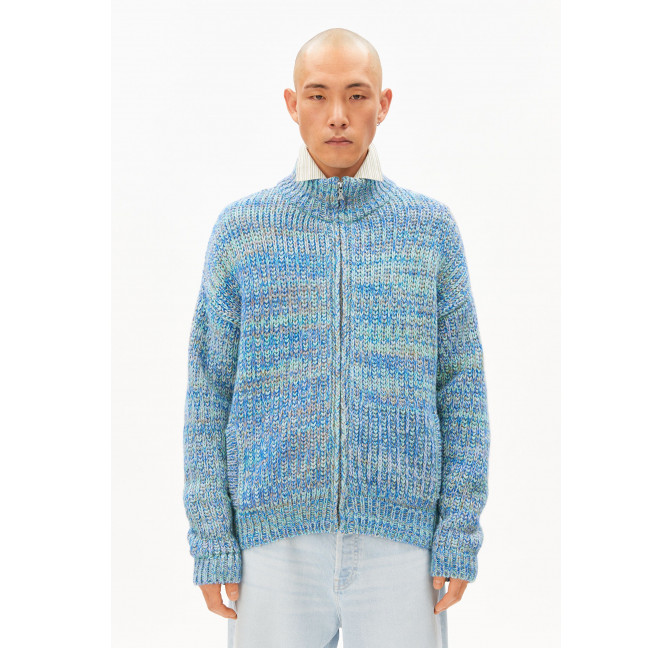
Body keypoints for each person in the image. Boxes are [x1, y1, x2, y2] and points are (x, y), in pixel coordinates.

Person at [182, 27, 491, 648]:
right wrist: (212, 538)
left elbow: (462, 388)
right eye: (318, 95)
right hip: (271, 544)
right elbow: (208, 392)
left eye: (357, 94)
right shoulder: (243, 230)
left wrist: (458, 531)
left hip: (404, 542)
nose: (338, 115)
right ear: (292, 104)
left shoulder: (429, 230)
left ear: (384, 103)